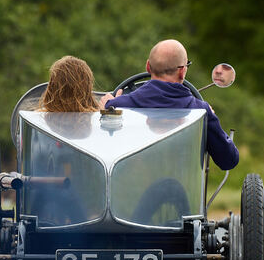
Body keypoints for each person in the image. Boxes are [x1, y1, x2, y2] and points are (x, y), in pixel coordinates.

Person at [100, 39, 239, 170]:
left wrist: (105, 108)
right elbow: (229, 160)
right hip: (181, 192)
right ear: (182, 71)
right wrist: (211, 117)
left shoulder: (117, 107)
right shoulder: (201, 111)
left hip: (131, 190)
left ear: (148, 66)